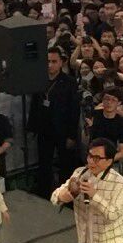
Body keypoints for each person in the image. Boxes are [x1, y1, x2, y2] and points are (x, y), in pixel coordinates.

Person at [28, 46, 80, 197]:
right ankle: (44, 193)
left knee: (65, 164)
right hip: (44, 129)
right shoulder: (40, 80)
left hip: (63, 129)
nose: (50, 65)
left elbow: (74, 109)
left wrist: (71, 135)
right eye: (48, 61)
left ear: (61, 62)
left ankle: (65, 195)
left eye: (54, 61)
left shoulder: (69, 82)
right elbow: (34, 104)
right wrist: (32, 127)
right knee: (44, 163)